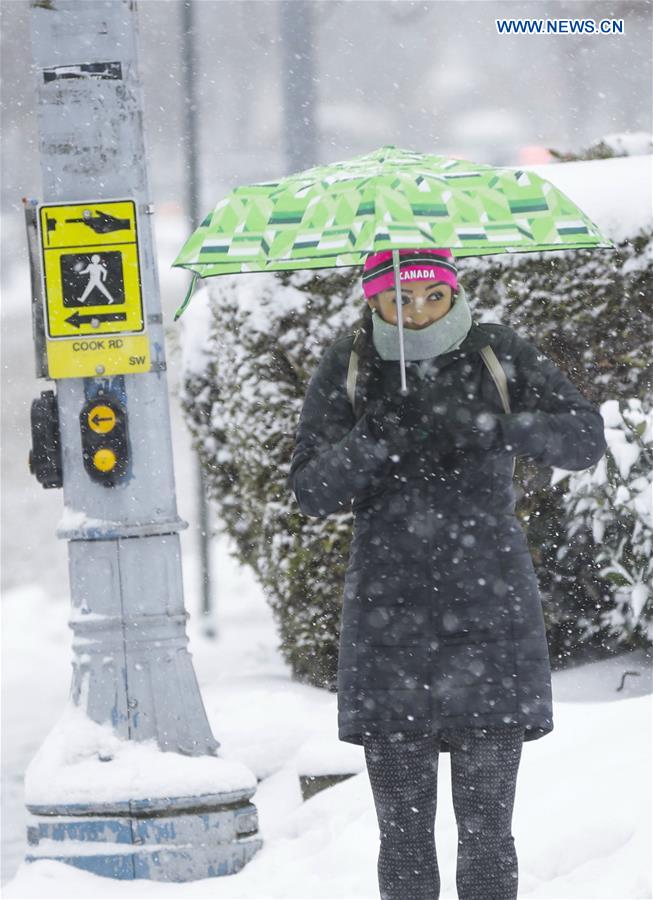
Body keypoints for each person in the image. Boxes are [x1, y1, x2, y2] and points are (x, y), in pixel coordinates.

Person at [287, 248, 607, 900]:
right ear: (371, 299)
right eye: (398, 299)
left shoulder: (494, 349)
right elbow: (312, 489)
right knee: (401, 833)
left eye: (431, 296)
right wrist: (372, 437)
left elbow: (581, 438)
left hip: (488, 609)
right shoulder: (351, 362)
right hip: (388, 618)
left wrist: (502, 424)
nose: (416, 311)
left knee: (487, 828)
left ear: (453, 291)